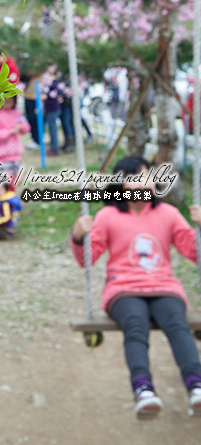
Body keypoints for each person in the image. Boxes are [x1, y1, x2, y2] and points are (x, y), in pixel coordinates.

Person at [70, 155, 201, 418]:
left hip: (164, 287)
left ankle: (196, 385)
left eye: (148, 176)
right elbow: (88, 258)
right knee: (135, 323)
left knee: (177, 323)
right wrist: (77, 235)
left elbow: (194, 252)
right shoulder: (108, 216)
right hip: (124, 290)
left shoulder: (168, 214)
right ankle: (143, 389)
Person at [0, 95, 30, 185]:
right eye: (6, 99)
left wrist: (21, 126)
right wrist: (11, 131)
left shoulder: (16, 113)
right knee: (3, 185)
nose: (8, 101)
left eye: (11, 99)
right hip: (2, 157)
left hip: (16, 156)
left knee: (15, 182)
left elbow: (26, 128)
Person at [42, 65, 62, 156]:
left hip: (53, 108)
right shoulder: (48, 81)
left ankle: (55, 148)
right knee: (51, 128)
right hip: (49, 108)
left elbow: (55, 93)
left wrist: (47, 96)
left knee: (53, 129)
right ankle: (53, 147)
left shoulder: (54, 81)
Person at [22, 70, 40, 150]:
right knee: (30, 120)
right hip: (28, 97)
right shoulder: (29, 78)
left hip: (35, 99)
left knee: (35, 120)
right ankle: (34, 138)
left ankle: (37, 140)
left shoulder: (39, 78)